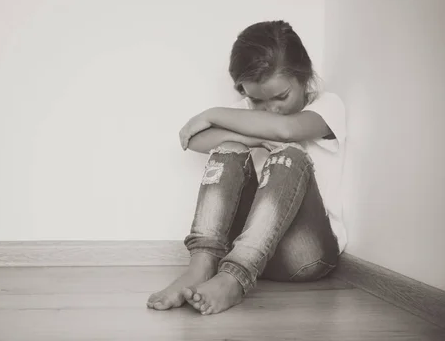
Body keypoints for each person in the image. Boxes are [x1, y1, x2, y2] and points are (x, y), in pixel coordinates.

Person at [146, 20, 347, 315]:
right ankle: (202, 265)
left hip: (306, 254)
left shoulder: (327, 106)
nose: (270, 109)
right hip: (244, 248)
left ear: (304, 77)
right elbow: (194, 139)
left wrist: (211, 113)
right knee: (229, 148)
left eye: (281, 97)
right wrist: (248, 138)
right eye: (255, 99)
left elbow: (286, 130)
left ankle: (233, 279)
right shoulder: (248, 114)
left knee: (289, 153)